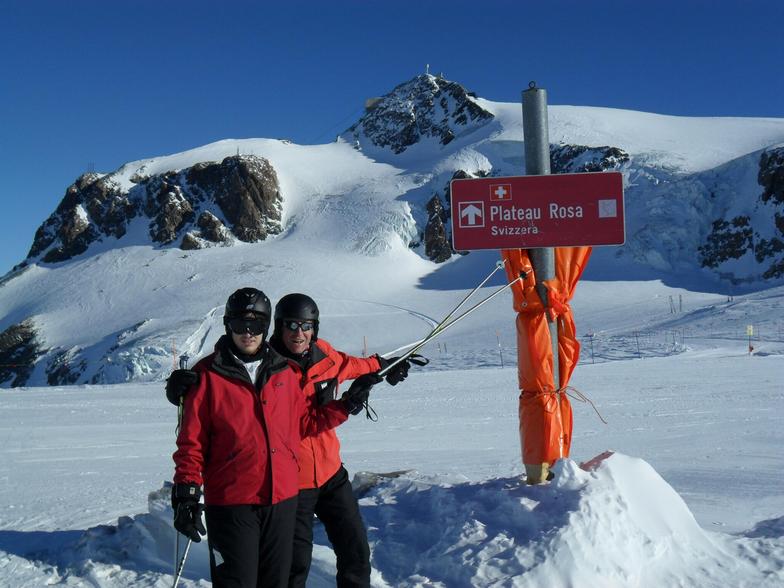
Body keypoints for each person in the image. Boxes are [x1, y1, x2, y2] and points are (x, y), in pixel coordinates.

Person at [169, 287, 376, 587]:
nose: (248, 333)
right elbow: (191, 443)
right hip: (233, 502)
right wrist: (186, 492)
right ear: (228, 325)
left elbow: (304, 423)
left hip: (281, 499)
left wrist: (347, 405)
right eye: (241, 325)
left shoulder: (281, 372)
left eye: (256, 326)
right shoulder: (207, 375)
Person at [268, 293, 411, 588]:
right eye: (292, 325)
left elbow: (350, 366)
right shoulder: (268, 371)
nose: (299, 333)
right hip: (292, 484)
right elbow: (295, 428)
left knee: (355, 551)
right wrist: (345, 406)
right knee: (295, 564)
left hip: (332, 475)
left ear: (314, 329)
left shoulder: (323, 355)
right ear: (279, 326)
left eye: (306, 326)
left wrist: (383, 366)